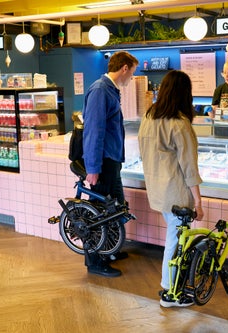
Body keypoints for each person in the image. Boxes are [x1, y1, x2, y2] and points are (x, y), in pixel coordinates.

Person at [137, 70, 204, 307]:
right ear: (185, 93)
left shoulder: (149, 116)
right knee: (174, 242)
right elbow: (189, 167)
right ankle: (169, 292)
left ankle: (172, 287)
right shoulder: (179, 123)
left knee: (173, 238)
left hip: (156, 190)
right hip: (176, 193)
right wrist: (198, 201)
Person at [82, 51, 139, 277]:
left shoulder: (110, 90)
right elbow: (93, 131)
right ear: (124, 68)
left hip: (112, 160)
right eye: (132, 72)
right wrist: (93, 168)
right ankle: (95, 261)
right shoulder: (100, 90)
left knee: (115, 209)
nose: (131, 78)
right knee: (98, 213)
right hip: (103, 162)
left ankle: (110, 249)